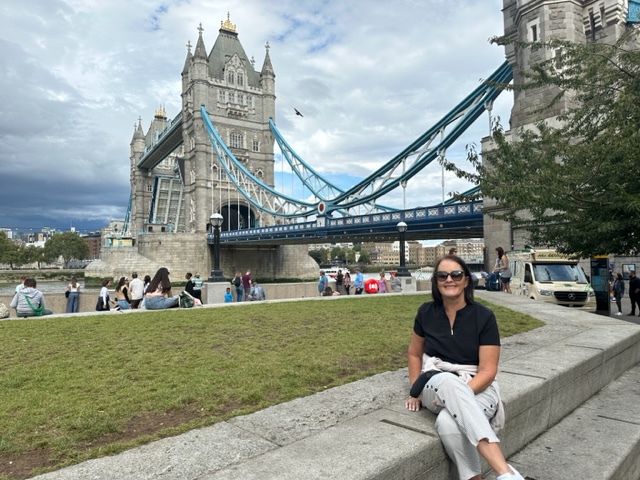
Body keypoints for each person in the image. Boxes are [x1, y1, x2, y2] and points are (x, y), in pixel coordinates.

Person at [405, 255, 525, 480]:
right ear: (436, 281)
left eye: (456, 274)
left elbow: (488, 371)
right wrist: (415, 388)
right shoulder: (425, 312)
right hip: (434, 382)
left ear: (467, 280)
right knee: (449, 382)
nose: (449, 279)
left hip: (476, 382)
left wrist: (460, 395)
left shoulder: (484, 316)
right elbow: (414, 353)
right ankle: (505, 473)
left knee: (448, 423)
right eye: (442, 275)